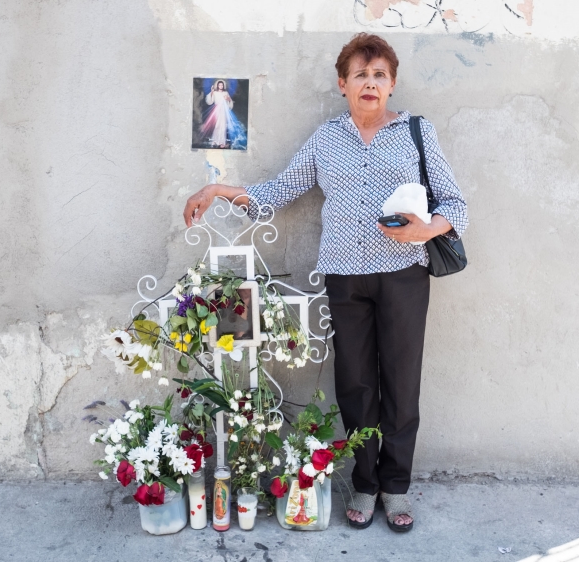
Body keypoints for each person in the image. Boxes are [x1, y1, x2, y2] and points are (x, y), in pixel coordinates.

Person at [183, 33, 468, 533]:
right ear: (343, 84)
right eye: (361, 74)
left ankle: (395, 486)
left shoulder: (417, 133)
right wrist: (221, 189)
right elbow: (282, 189)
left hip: (404, 274)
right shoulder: (326, 140)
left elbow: (455, 204)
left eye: (379, 75)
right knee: (355, 383)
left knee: (401, 381)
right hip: (344, 278)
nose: (370, 83)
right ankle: (365, 480)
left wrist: (429, 229)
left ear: (392, 84)